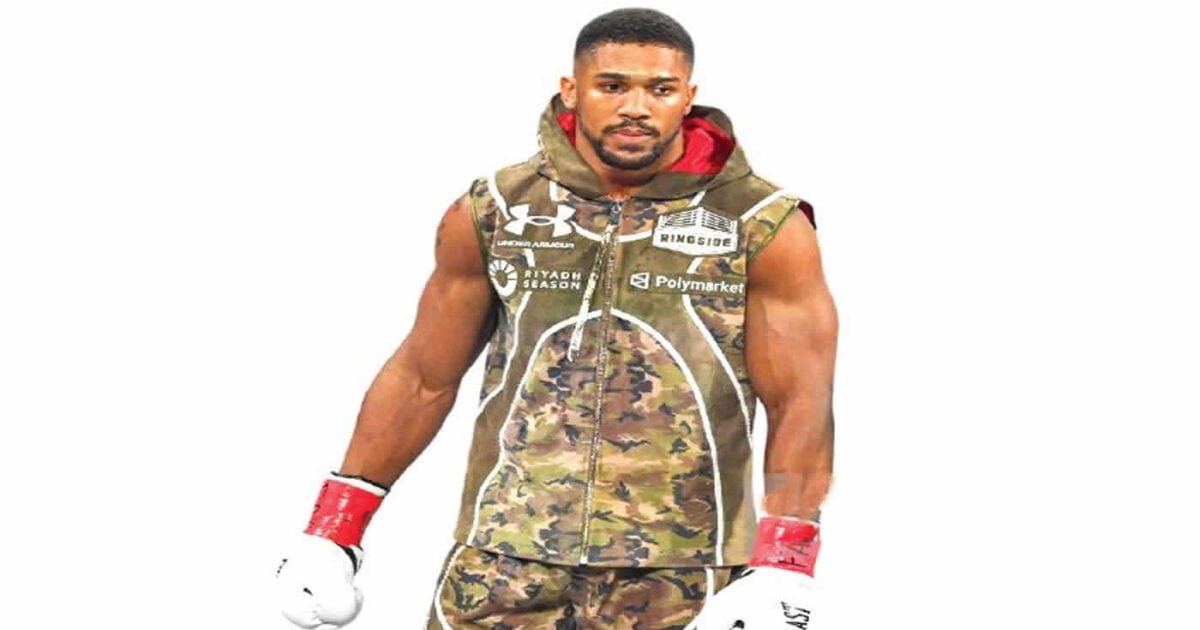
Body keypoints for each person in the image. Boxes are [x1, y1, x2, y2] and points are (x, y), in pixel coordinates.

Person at [275, 7, 837, 629]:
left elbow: (801, 399)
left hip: (680, 576)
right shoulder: (498, 209)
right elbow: (422, 377)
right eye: (612, 86)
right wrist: (333, 529)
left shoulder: (761, 223)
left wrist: (786, 563)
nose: (636, 108)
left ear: (688, 96)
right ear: (572, 89)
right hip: (501, 565)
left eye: (660, 89)